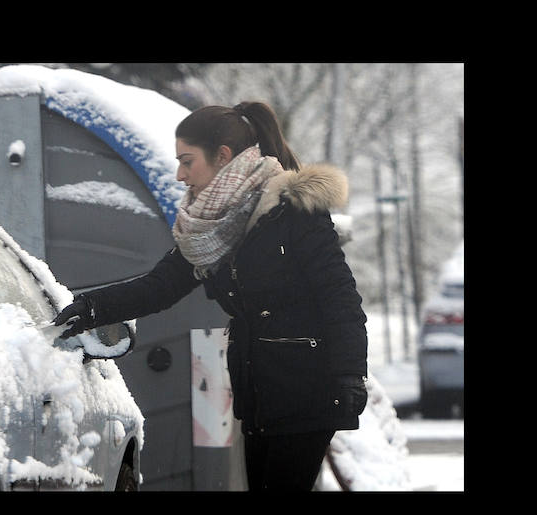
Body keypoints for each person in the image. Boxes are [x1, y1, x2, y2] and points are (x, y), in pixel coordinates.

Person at [52, 102, 368, 491]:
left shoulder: (293, 212)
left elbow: (340, 299)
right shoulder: (209, 229)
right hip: (258, 393)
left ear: (223, 156)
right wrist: (91, 307)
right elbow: (160, 287)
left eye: (187, 161)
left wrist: (350, 375)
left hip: (307, 388)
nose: (180, 175)